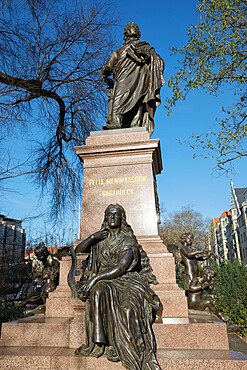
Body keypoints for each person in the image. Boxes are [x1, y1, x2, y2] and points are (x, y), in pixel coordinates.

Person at [73, 204, 162, 370]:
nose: (112, 217)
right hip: (105, 281)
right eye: (109, 215)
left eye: (116, 214)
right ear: (105, 218)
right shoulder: (100, 241)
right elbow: (78, 250)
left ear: (122, 218)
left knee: (128, 309)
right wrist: (93, 237)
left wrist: (94, 279)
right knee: (98, 291)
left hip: (126, 280)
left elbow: (121, 267)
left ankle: (127, 348)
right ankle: (100, 342)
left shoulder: (128, 240)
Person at [101, 22, 165, 135]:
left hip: (140, 83)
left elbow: (159, 61)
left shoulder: (145, 47)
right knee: (119, 100)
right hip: (122, 80)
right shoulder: (117, 52)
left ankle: (131, 124)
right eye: (131, 28)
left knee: (138, 105)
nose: (133, 28)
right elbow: (108, 68)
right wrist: (105, 71)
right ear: (125, 34)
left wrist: (146, 55)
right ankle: (117, 122)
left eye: (135, 27)